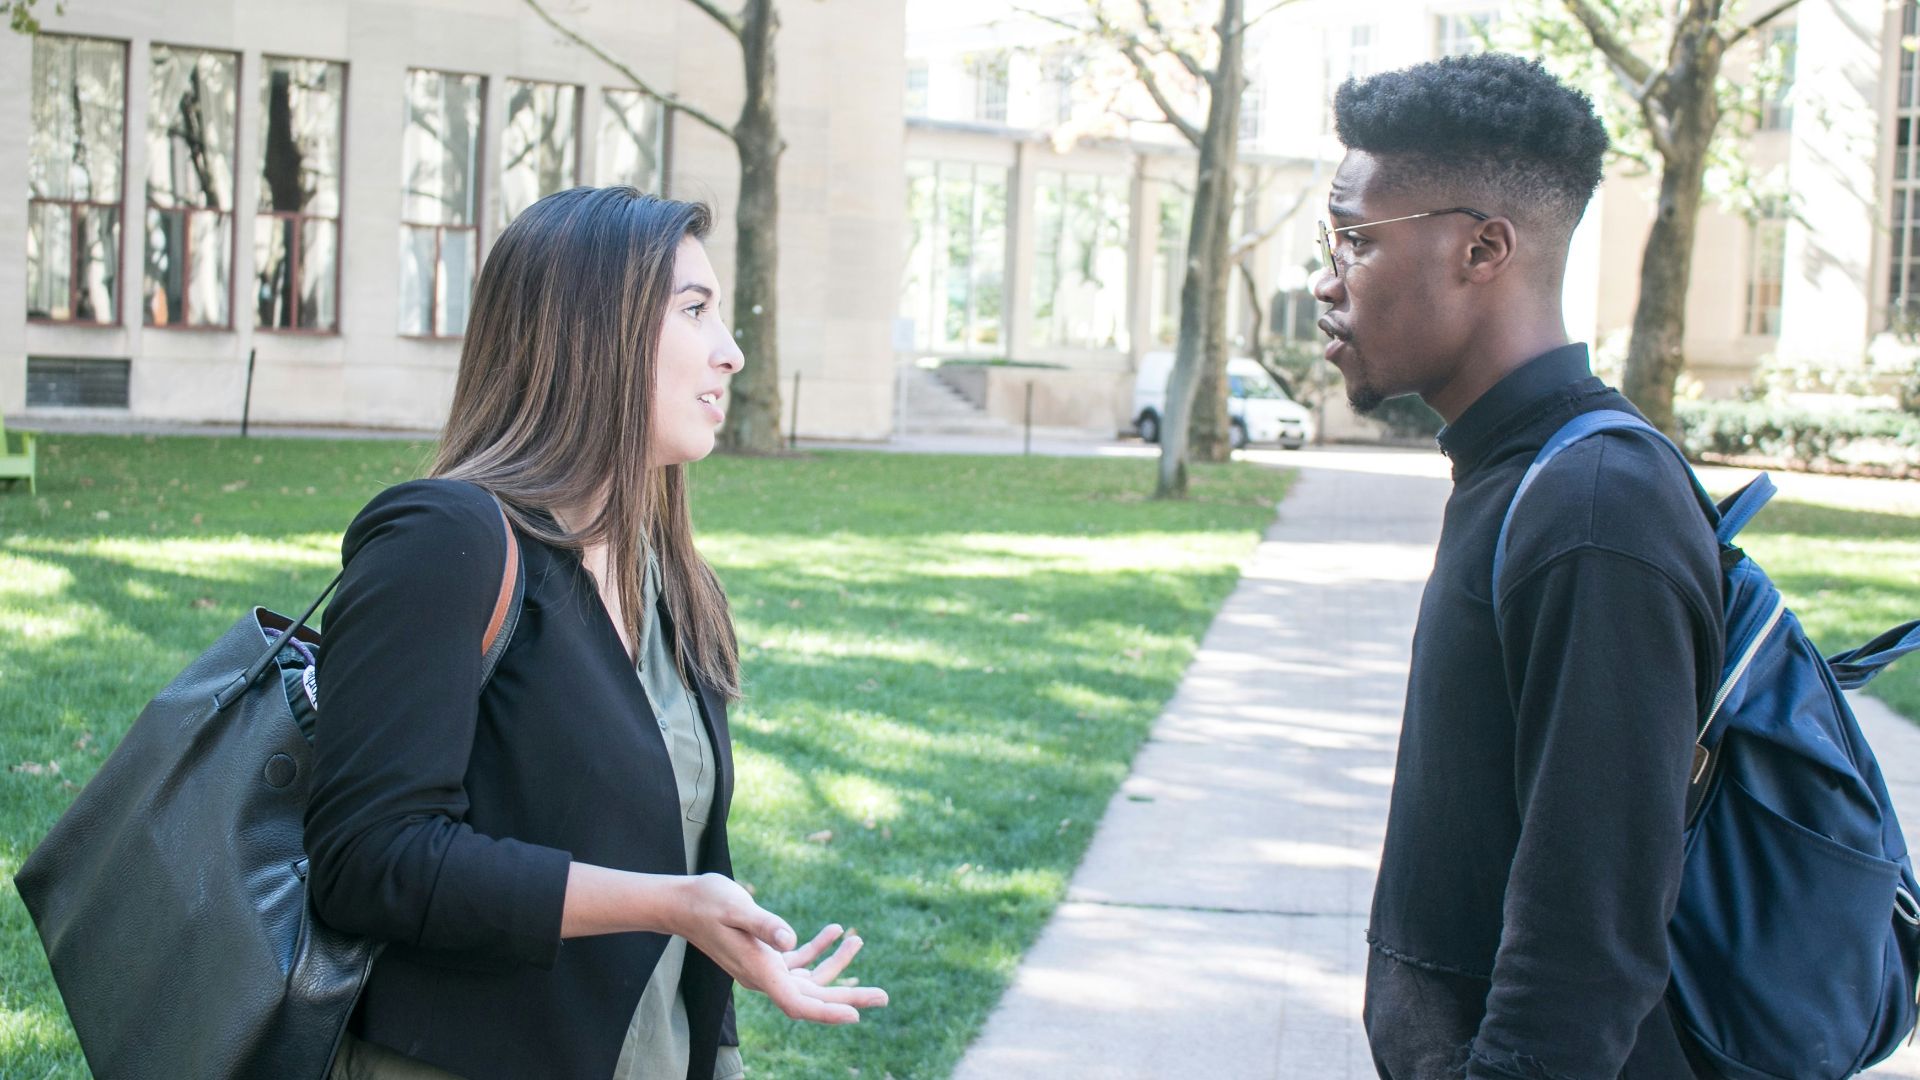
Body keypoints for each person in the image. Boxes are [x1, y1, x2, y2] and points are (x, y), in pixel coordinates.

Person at [304, 187, 888, 1080]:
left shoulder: (667, 576)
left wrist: (715, 944)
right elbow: (368, 859)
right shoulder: (445, 539)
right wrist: (667, 904)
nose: (729, 353)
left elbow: (670, 847)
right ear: (591, 331)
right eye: (694, 311)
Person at [1312, 56, 1724, 1079]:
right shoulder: (1516, 469)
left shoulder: (1594, 509)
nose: (1327, 281)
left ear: (1483, 248)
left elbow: (1587, 952)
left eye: (1355, 241)